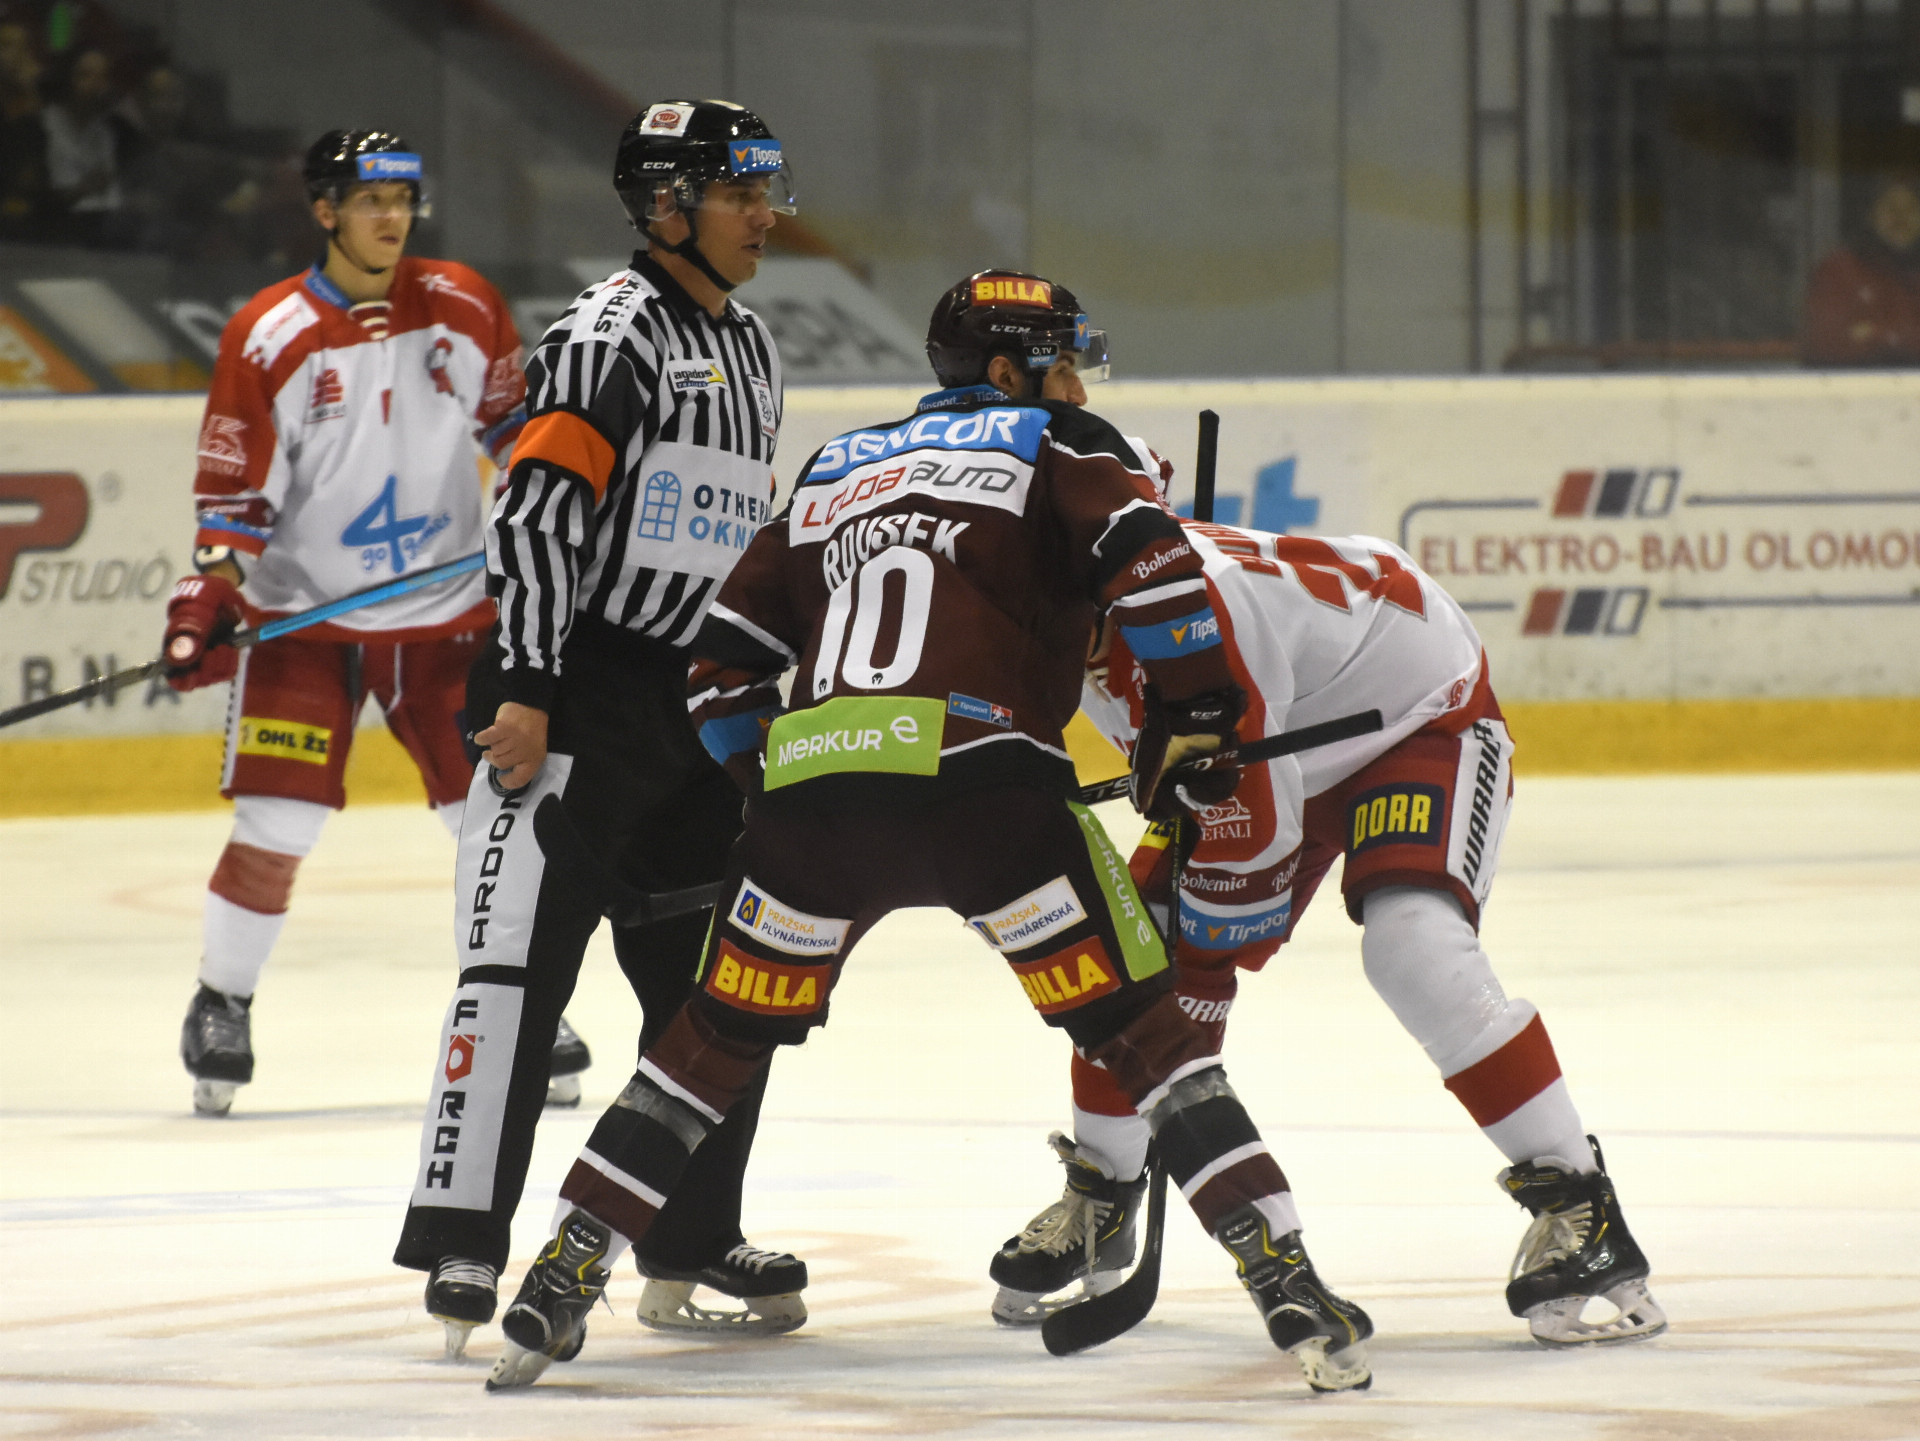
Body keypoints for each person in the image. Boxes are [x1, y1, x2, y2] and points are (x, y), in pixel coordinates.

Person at [483, 270, 1377, 1395]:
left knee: (702, 1051)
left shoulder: (834, 466)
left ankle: (556, 1281)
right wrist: (1197, 721)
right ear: (1007, 371)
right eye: (1060, 363)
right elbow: (1159, 577)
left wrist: (777, 784)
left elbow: (718, 675)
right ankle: (1287, 1280)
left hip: (812, 809)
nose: (1074, 385)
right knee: (1154, 1044)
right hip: (991, 804)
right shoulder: (1062, 443)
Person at [988, 504, 1667, 1347]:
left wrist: (1196, 980)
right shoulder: (1071, 614)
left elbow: (1254, 843)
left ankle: (1581, 1207)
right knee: (1140, 948)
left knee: (1412, 944)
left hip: (1415, 716)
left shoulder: (1186, 608)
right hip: (1283, 736)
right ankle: (1105, 1192)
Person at [391, 99, 810, 1362]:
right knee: (515, 976)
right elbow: (537, 513)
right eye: (741, 192)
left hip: (694, 708)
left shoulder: (753, 347)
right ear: (668, 206)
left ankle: (691, 1237)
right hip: (576, 693)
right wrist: (527, 681)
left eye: (768, 189)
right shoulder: (606, 334)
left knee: (718, 991)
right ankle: (465, 1240)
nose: (765, 215)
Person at [160, 130, 564, 1121]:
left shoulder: (463, 304)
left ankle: (519, 1006)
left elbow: (519, 436)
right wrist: (210, 594)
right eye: (370, 199)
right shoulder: (268, 333)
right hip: (305, 622)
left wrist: (553, 514)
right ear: (324, 210)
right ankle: (223, 999)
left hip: (446, 622)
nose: (392, 216)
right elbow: (235, 499)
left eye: (403, 198)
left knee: (489, 819)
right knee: (279, 820)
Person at [1802, 172, 1920, 367]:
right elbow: (1824, 344)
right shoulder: (1839, 270)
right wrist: (1903, 337)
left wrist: (1875, 332)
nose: (1901, 218)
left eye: (1911, 209)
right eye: (1891, 208)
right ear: (1871, 215)